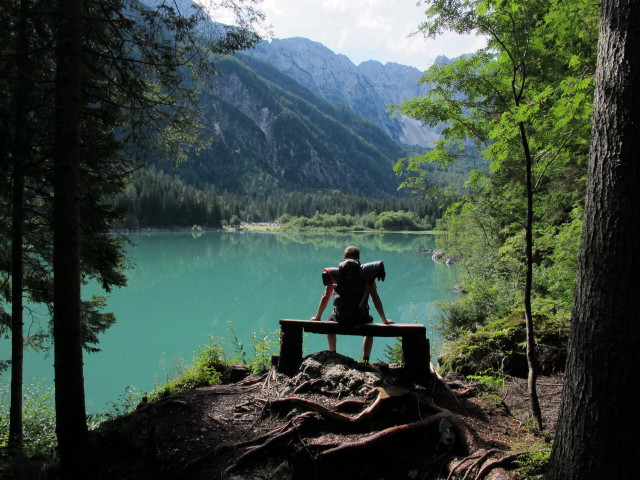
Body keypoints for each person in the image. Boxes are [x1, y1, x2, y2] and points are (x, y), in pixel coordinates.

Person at [311, 245, 394, 363]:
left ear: (344, 257)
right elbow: (375, 297)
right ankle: (365, 360)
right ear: (358, 258)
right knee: (370, 327)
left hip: (341, 317)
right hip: (360, 317)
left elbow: (326, 296)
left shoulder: (337, 273)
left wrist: (318, 316)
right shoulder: (366, 274)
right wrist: (384, 320)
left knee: (330, 323)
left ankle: (333, 354)